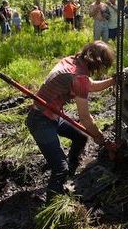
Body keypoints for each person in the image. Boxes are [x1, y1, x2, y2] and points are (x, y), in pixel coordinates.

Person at [26, 41, 116, 201]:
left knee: (80, 137)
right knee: (59, 168)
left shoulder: (73, 61)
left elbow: (89, 85)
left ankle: (71, 172)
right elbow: (86, 118)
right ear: (98, 63)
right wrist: (100, 137)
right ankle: (53, 204)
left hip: (51, 114)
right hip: (41, 120)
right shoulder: (79, 77)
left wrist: (111, 82)